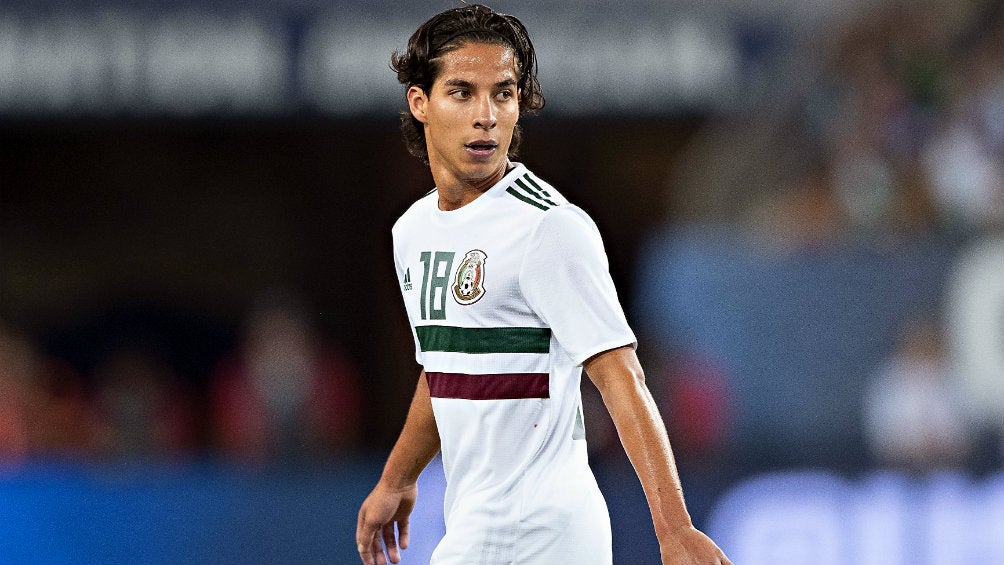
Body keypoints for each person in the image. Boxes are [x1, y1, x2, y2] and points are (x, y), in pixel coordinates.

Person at [355, 5, 731, 565]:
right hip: (478, 525)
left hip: (540, 531)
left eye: (503, 94)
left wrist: (675, 529)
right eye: (462, 93)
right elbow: (445, 368)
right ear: (420, 103)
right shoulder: (412, 232)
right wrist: (397, 479)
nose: (486, 116)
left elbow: (621, 377)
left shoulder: (548, 228)